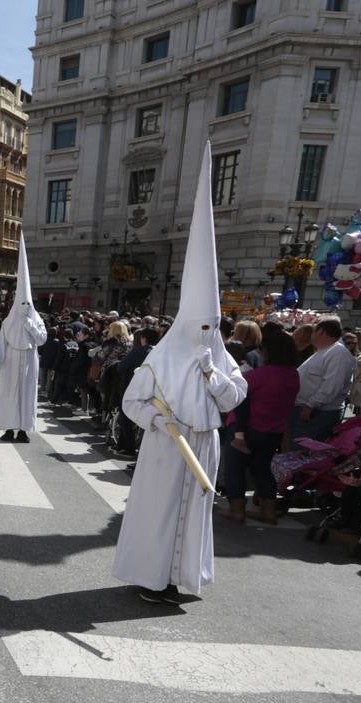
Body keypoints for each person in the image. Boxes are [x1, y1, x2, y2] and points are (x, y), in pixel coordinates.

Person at [112, 143, 247, 604]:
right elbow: (131, 403)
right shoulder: (159, 359)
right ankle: (153, 577)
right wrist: (158, 421)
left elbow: (231, 403)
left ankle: (184, 577)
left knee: (194, 516)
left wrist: (215, 375)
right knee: (162, 513)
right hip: (168, 445)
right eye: (201, 325)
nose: (208, 332)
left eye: (214, 326)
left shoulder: (220, 356)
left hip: (205, 445)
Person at [217, 327, 299, 525]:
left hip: (245, 429)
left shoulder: (260, 375)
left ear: (269, 351)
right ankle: (268, 511)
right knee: (262, 469)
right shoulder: (293, 375)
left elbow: (236, 396)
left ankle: (237, 510)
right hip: (273, 431)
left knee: (235, 469)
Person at [0, 242, 48, 443]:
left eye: (28, 304)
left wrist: (29, 324)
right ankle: (9, 429)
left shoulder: (36, 320)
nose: (24, 306)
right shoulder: (8, 321)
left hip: (28, 360)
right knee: (9, 394)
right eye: (21, 303)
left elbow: (42, 340)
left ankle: (24, 430)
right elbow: (2, 341)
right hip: (11, 360)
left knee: (26, 395)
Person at [290, 316, 355, 443]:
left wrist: (310, 405)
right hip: (310, 410)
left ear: (320, 332)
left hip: (318, 413)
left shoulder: (338, 353)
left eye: (314, 330)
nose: (311, 335)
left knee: (305, 450)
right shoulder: (326, 351)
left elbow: (332, 385)